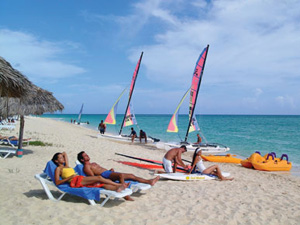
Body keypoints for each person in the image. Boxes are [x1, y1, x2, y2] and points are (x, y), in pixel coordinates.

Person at [52, 152, 129, 192]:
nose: (63, 159)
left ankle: (117, 188)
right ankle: (119, 184)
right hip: (74, 181)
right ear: (56, 160)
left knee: (101, 184)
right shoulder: (58, 169)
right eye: (60, 158)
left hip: (79, 178)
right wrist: (69, 177)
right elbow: (57, 182)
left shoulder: (67, 166)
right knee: (99, 178)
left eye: (62, 157)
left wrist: (61, 155)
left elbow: (65, 153)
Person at [77, 151, 160, 187]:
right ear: (82, 160)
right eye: (85, 156)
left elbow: (101, 169)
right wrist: (106, 176)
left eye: (86, 154)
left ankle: (149, 181)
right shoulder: (86, 167)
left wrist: (110, 171)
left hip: (108, 173)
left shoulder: (92, 163)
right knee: (121, 175)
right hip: (105, 175)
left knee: (131, 175)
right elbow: (93, 177)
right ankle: (124, 189)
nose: (87, 156)